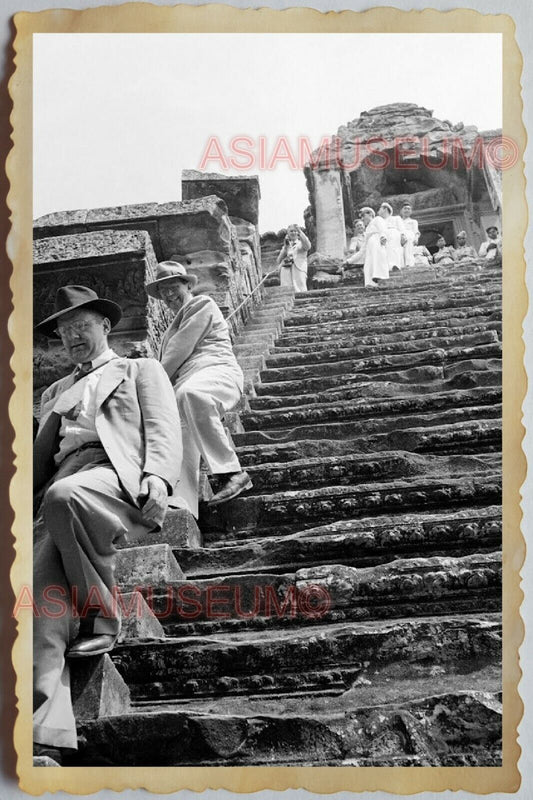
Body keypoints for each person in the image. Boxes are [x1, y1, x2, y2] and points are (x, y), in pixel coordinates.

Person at [33, 285, 182, 763]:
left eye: (81, 326)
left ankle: (101, 611)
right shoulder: (55, 393)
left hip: (114, 477)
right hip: (59, 486)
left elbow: (162, 425)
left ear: (106, 327)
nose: (72, 336)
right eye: (63, 331)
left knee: (65, 497)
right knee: (41, 602)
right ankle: (44, 731)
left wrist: (158, 477)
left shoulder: (139, 368)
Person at [146, 261, 252, 518]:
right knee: (178, 436)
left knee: (191, 395)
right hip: (185, 385)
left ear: (187, 285)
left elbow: (178, 351)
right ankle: (182, 508)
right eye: (163, 292)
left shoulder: (201, 304)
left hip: (216, 373)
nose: (169, 295)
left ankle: (231, 472)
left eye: (173, 287)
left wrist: (150, 387)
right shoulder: (170, 329)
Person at [276, 224, 311, 292]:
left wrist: (300, 231)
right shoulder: (286, 246)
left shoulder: (301, 244)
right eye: (291, 231)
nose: (293, 233)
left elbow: (308, 246)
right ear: (288, 234)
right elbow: (278, 260)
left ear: (298, 233)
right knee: (286, 289)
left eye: (295, 231)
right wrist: (285, 247)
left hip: (298, 268)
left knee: (300, 289)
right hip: (286, 270)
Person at [363, 205, 389, 289]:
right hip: (369, 246)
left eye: (364, 215)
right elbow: (363, 248)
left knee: (377, 259)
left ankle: (380, 278)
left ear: (370, 214)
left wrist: (383, 236)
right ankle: (370, 284)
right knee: (369, 264)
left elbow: (382, 228)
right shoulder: (367, 229)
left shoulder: (377, 219)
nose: (362, 219)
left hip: (376, 241)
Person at [383, 204, 406, 271]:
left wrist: (403, 235)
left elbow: (401, 228)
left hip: (394, 233)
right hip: (384, 236)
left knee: (395, 250)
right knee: (386, 251)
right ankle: (389, 266)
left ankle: (396, 265)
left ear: (385, 209)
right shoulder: (381, 220)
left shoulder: (396, 218)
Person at [399, 202, 420, 267]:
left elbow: (416, 231)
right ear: (401, 211)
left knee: (408, 251)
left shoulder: (413, 221)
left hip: (409, 237)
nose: (407, 210)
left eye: (408, 209)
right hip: (399, 238)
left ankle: (409, 265)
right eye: (405, 208)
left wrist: (416, 238)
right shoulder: (398, 221)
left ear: (411, 211)